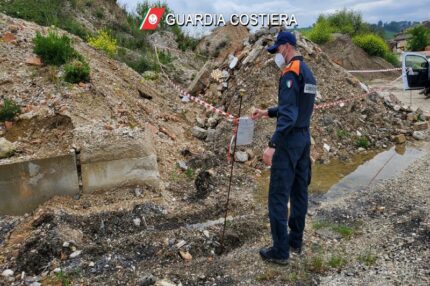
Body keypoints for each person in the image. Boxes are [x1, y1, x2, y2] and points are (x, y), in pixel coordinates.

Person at [251, 31, 316, 265]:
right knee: (299, 191)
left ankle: (280, 251)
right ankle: (295, 240)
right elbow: (296, 108)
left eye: (277, 50)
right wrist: (267, 112)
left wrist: (272, 145)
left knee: (278, 196)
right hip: (303, 139)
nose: (277, 55)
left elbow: (288, 115)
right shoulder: (307, 73)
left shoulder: (290, 73)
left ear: (287, 47)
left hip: (288, 142)